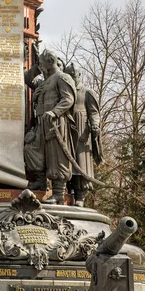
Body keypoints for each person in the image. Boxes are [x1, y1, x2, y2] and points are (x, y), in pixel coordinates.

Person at [31, 50, 77, 204]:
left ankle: (58, 193)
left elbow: (68, 99)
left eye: (41, 62)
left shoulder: (62, 77)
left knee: (57, 157)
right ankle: (41, 183)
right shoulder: (46, 81)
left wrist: (54, 112)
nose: (40, 66)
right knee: (36, 151)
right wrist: (36, 98)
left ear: (49, 61)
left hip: (56, 123)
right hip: (43, 123)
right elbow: (39, 104)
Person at [65, 63, 104, 207]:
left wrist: (94, 125)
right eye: (69, 75)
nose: (72, 78)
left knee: (81, 162)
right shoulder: (65, 90)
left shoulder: (87, 92)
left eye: (74, 75)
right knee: (66, 161)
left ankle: (80, 196)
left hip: (82, 132)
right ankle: (67, 192)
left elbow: (94, 112)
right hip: (67, 129)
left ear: (79, 75)